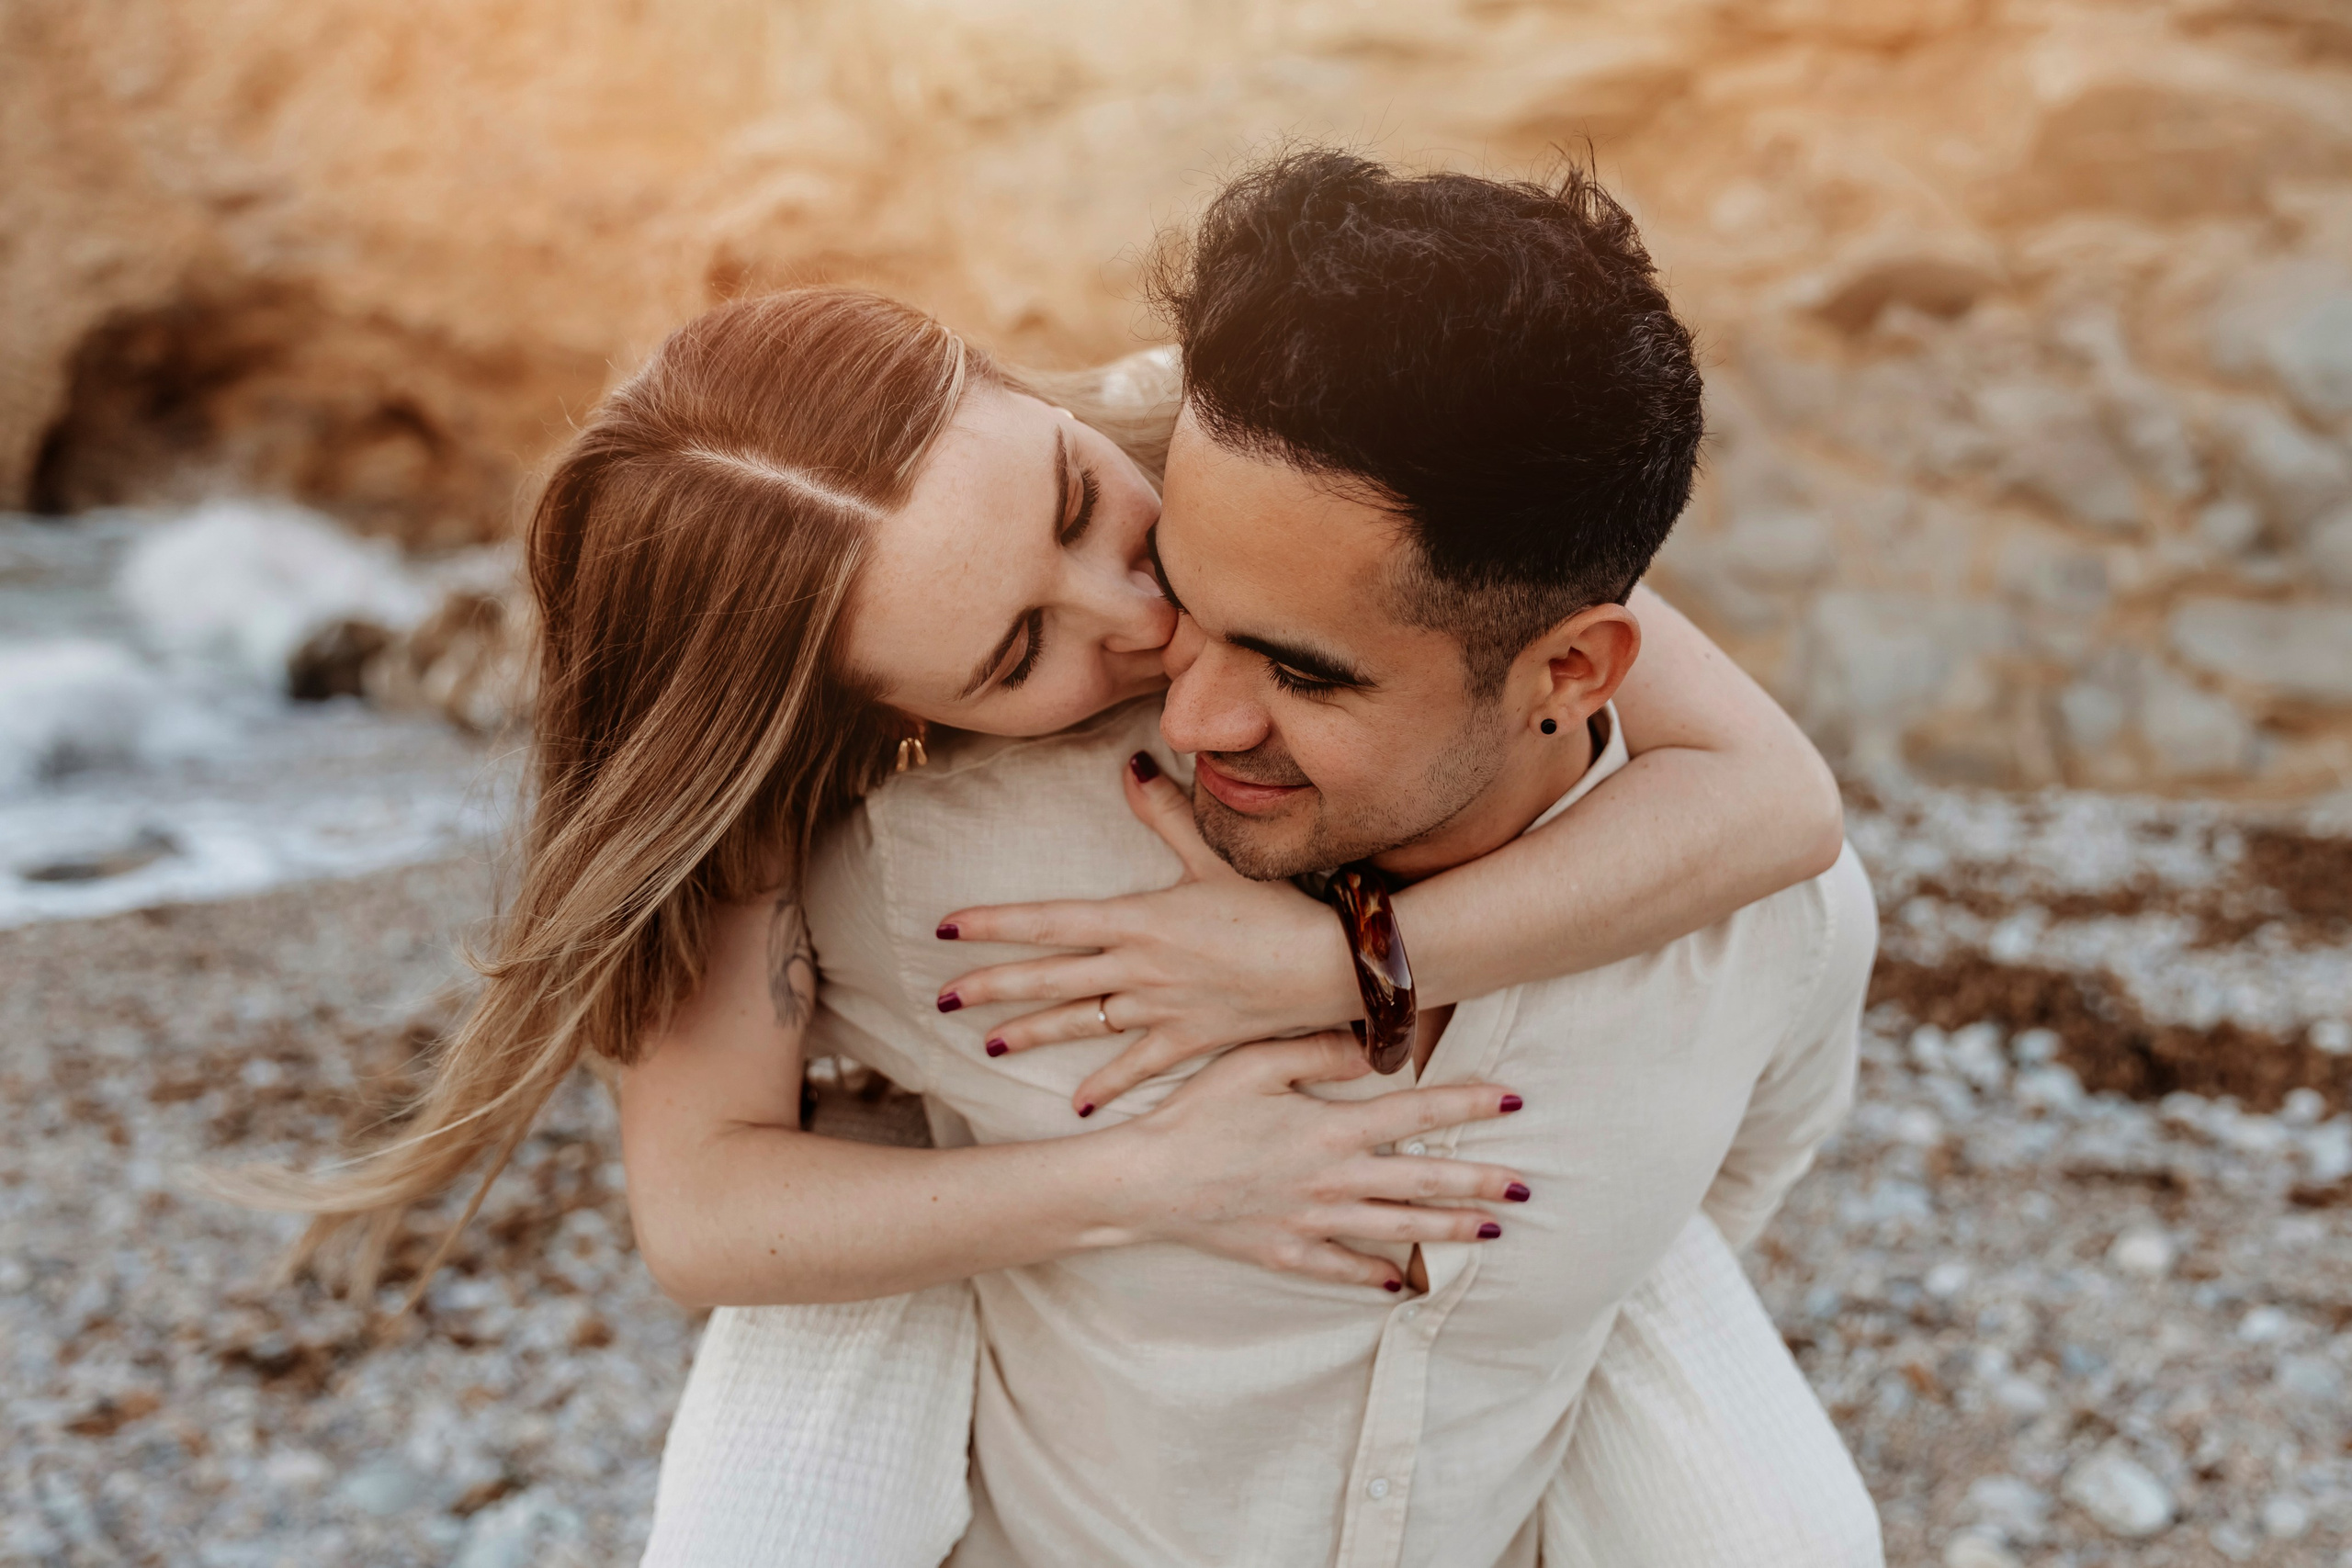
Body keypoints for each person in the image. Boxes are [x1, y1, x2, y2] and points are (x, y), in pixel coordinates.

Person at [231, 175, 1857, 1562]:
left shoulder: (1225, 443)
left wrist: (1325, 968)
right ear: (889, 716)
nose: (1146, 623)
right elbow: (707, 1205)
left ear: (1032, 402)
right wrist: (1147, 1181)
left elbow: (1778, 801)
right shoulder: (819, 840)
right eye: (1020, 650)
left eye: (1089, 512)